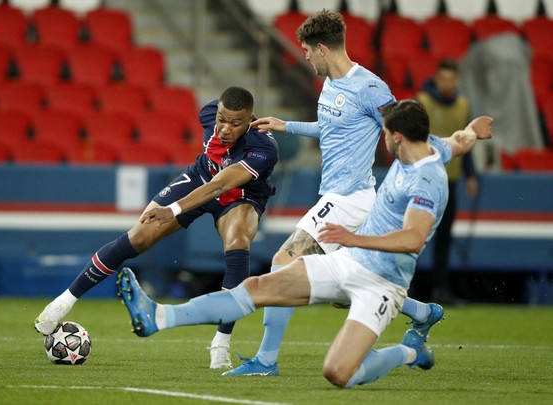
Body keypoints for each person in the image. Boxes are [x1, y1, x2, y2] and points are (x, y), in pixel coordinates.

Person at [117, 100, 493, 388]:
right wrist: (474, 129)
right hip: (349, 262)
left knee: (339, 373)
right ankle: (159, 317)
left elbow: (412, 238)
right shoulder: (427, 149)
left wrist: (352, 238)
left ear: (395, 137)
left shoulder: (427, 181)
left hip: (382, 283)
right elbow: (459, 141)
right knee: (261, 285)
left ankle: (411, 351)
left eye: (385, 136)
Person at [210, 10, 441, 376]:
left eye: (306, 50)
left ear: (321, 49)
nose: (304, 56)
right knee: (348, 285)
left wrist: (440, 152)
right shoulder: (331, 86)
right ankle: (424, 313)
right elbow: (332, 128)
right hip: (345, 197)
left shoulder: (369, 87)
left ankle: (266, 361)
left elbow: (404, 127)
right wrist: (287, 125)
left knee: (283, 264)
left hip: (349, 198)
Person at [34, 86, 279, 370]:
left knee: (238, 240)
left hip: (240, 196)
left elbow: (222, 185)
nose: (224, 128)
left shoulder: (263, 147)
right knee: (139, 236)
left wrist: (173, 209)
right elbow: (209, 178)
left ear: (250, 120)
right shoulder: (208, 112)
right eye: (222, 119)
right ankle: (62, 303)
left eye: (235, 123)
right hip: (199, 178)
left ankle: (220, 343)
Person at [416, 59, 477, 304]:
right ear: (436, 78)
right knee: (415, 234)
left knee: (444, 238)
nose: (447, 83)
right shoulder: (424, 101)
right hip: (422, 180)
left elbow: (467, 142)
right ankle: (406, 287)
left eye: (451, 79)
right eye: (444, 78)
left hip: (449, 181)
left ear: (457, 81)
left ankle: (441, 289)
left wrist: (471, 174)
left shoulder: (463, 105)